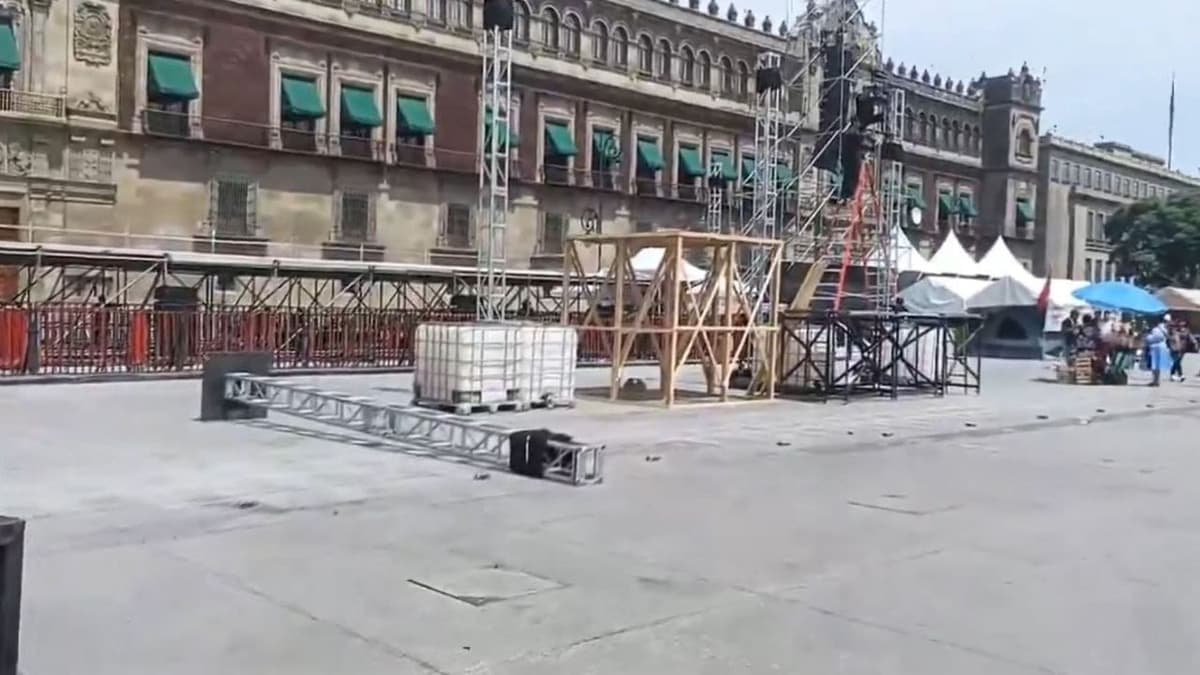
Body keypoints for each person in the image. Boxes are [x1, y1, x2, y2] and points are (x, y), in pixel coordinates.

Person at [1144, 317, 1172, 387]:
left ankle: (1155, 381)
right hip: (1161, 348)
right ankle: (1156, 380)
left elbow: (1155, 338)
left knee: (1155, 365)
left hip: (1156, 348)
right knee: (1157, 366)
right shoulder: (1165, 329)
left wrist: (1147, 337)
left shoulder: (1156, 329)